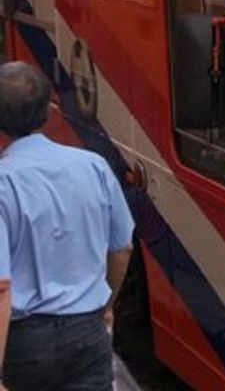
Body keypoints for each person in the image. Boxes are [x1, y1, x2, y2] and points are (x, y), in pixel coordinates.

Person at [0, 62, 135, 391]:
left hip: (25, 344)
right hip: (88, 332)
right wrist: (106, 305)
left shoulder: (4, 182)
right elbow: (122, 247)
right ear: (49, 110)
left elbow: (2, 288)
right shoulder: (94, 166)